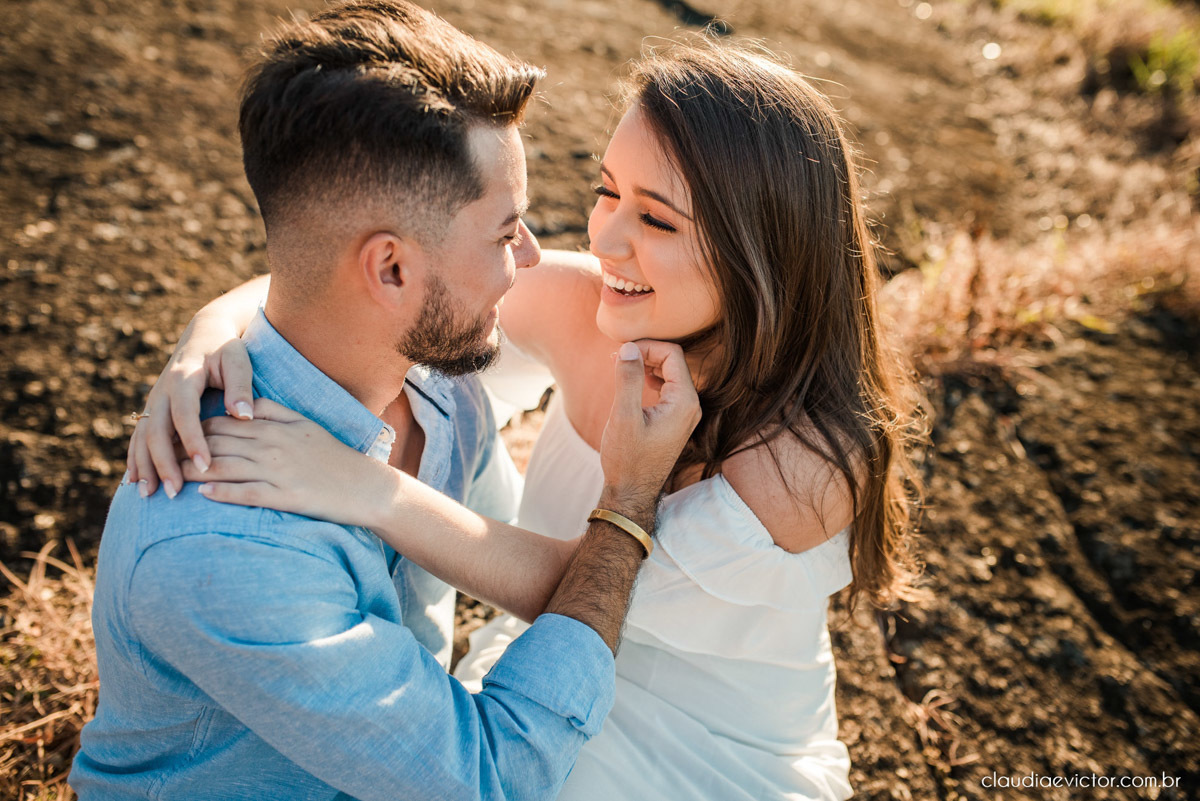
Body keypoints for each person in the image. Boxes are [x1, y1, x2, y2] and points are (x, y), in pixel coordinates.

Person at [134, 38, 925, 801]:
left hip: (703, 751)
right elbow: (354, 280)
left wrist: (365, 488)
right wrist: (206, 334)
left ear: (763, 252)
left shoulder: (807, 461)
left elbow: (588, 587)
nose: (605, 238)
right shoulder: (594, 307)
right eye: (607, 191)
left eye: (656, 220)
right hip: (549, 675)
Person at [69, 3, 702, 800]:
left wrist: (216, 321)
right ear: (393, 271)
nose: (534, 256)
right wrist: (630, 498)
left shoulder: (442, 384)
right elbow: (492, 778)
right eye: (506, 233)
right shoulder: (228, 538)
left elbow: (534, 565)